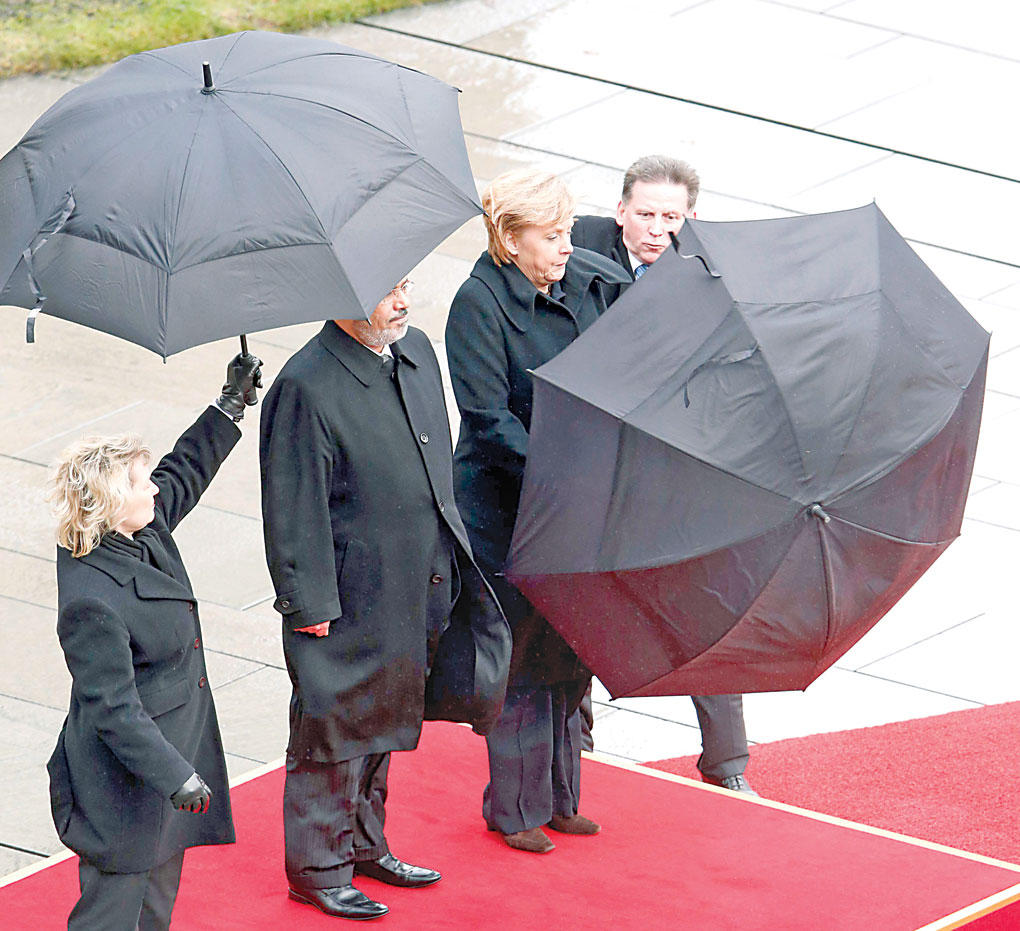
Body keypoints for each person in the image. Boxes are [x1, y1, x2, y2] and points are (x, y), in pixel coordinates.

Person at [260, 279, 511, 920]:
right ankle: (318, 869)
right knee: (333, 729)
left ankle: (365, 847)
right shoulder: (304, 385)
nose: (403, 302)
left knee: (386, 717)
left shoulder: (414, 350)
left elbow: (434, 463)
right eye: (387, 291)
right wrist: (308, 604)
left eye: (405, 285)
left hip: (415, 579)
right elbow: (292, 503)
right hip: (346, 597)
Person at [445, 169, 630, 854]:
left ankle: (561, 798)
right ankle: (514, 807)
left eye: (567, 231)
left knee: (569, 650)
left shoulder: (586, 281)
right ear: (510, 238)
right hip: (511, 509)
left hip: (578, 501)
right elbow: (487, 418)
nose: (567, 246)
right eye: (551, 236)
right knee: (520, 656)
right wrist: (562, 476)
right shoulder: (478, 303)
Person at [46, 352, 263, 930]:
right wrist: (176, 776)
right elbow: (113, 708)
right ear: (110, 503)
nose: (154, 491)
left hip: (167, 761)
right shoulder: (91, 600)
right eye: (141, 484)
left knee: (154, 910)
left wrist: (229, 405)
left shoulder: (134, 527)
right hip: (125, 782)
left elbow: (183, 470)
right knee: (113, 915)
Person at [572, 154, 757, 796]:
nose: (657, 229)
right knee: (575, 602)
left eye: (671, 218)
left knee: (704, 605)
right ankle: (573, 746)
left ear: (691, 217)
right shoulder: (573, 251)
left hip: (677, 467)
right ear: (619, 210)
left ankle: (727, 764)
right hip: (594, 465)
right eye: (645, 214)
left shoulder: (714, 274)